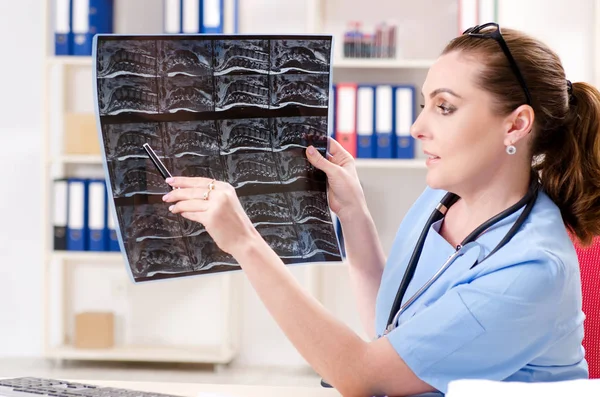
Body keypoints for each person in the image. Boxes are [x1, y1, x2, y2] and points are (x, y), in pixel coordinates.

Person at [161, 23, 600, 397]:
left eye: (444, 107)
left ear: (517, 124)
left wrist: (244, 242)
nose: (417, 127)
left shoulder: (530, 269)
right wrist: (353, 214)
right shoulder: (442, 201)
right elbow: (392, 332)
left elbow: (363, 376)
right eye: (423, 104)